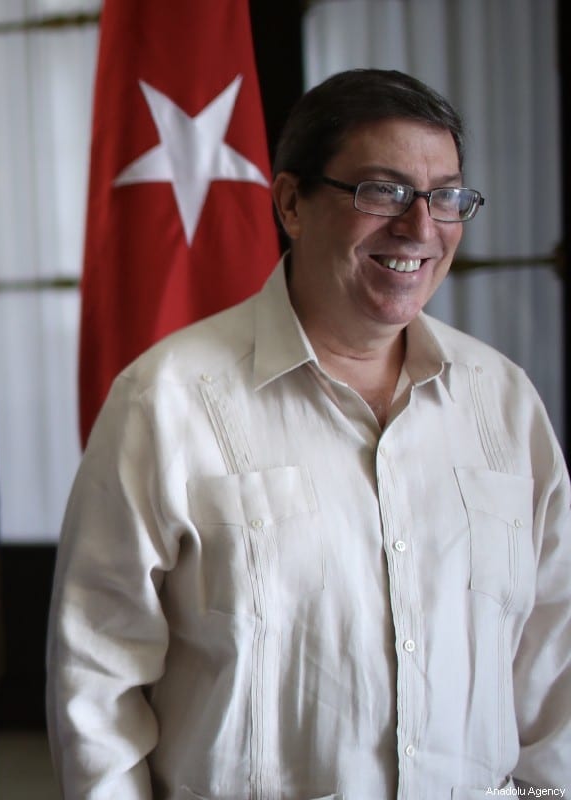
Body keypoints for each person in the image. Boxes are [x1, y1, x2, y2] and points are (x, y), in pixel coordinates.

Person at [47, 68, 571, 797]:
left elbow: (553, 665)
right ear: (292, 203)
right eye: (381, 191)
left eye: (445, 196)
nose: (421, 229)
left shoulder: (504, 402)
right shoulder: (165, 401)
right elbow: (96, 686)